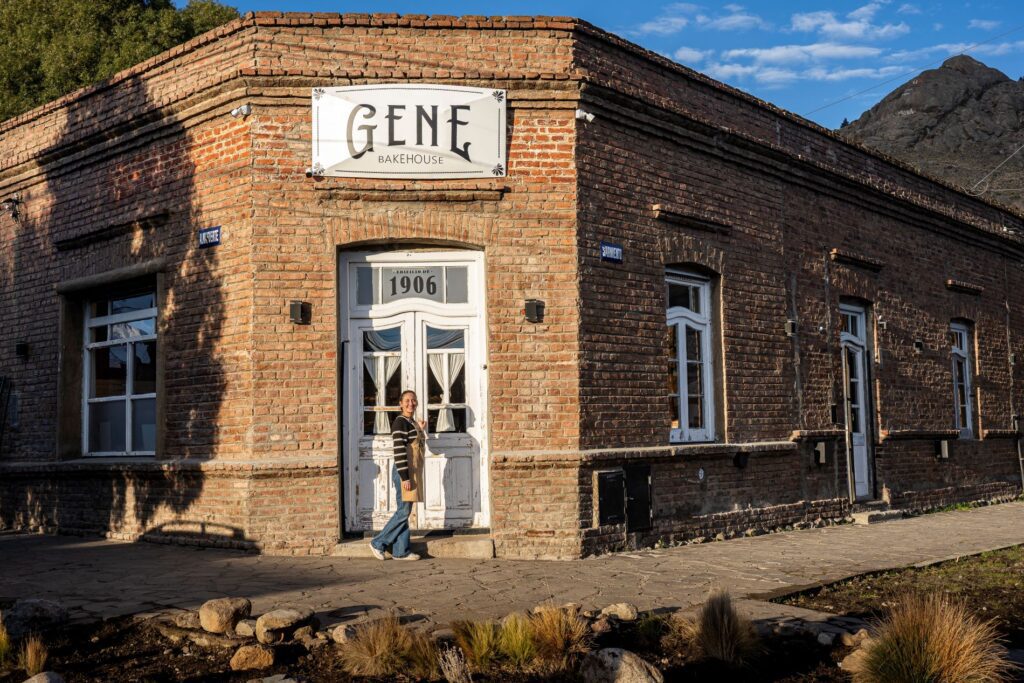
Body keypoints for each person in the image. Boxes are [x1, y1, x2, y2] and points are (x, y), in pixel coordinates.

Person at [370, 389, 425, 561]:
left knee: (405, 511)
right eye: (407, 400)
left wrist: (420, 429)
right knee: (403, 511)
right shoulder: (400, 423)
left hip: (410, 471)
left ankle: (401, 551)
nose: (411, 403)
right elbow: (400, 451)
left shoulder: (410, 422)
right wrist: (405, 477)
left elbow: (415, 444)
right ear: (400, 404)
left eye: (413, 400)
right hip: (404, 471)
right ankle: (378, 543)